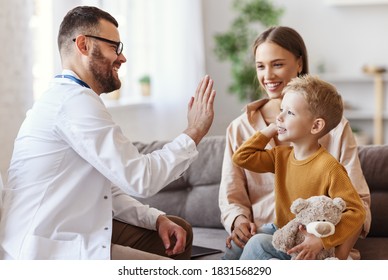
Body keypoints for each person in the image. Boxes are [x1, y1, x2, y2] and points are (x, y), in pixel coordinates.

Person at [0, 6, 216, 260]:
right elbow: (140, 178)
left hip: (68, 232)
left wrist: (156, 219)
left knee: (180, 228)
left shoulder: (72, 99)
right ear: (83, 45)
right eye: (115, 47)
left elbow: (105, 189)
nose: (122, 58)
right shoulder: (73, 102)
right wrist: (194, 131)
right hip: (46, 250)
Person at [219, 26, 371, 260]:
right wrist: (238, 220)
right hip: (270, 231)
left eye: (277, 64)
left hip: (313, 238)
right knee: (238, 250)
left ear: (299, 64)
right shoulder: (245, 131)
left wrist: (334, 252)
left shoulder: (335, 135)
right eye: (261, 66)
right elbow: (235, 184)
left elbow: (358, 207)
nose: (267, 75)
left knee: (258, 246)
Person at [232, 75, 366, 260]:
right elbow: (241, 157)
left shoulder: (330, 167)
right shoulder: (280, 155)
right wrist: (267, 131)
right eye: (281, 110)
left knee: (256, 243)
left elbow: (357, 212)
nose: (279, 117)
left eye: (290, 113)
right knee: (239, 242)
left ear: (316, 125)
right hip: (282, 229)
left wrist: (322, 241)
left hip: (305, 239)